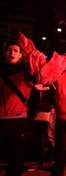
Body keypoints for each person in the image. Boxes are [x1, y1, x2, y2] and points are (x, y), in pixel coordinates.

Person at [0, 42, 33, 176]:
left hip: (19, 119)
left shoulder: (26, 72)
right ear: (4, 53)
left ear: (20, 55)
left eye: (15, 50)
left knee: (16, 159)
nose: (11, 52)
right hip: (1, 118)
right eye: (9, 50)